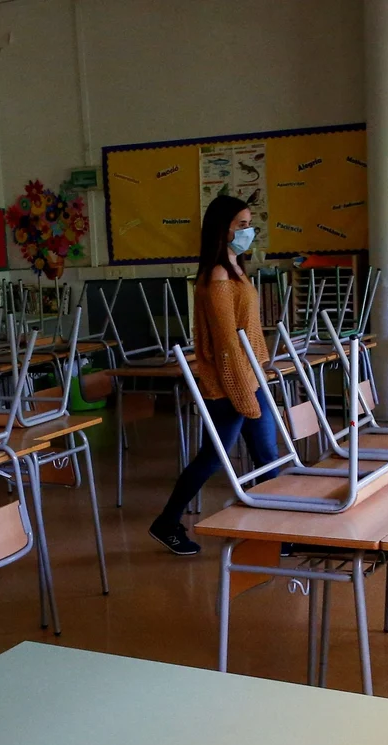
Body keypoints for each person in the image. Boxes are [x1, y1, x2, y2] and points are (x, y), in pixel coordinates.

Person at [148, 194, 280, 556]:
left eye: (249, 223)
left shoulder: (235, 267)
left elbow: (248, 332)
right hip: (229, 385)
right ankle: (167, 522)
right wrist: (243, 395)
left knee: (268, 455)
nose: (248, 231)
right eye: (241, 225)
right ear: (222, 229)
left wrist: (261, 371)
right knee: (212, 457)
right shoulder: (218, 276)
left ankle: (281, 531)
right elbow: (226, 345)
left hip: (250, 380)